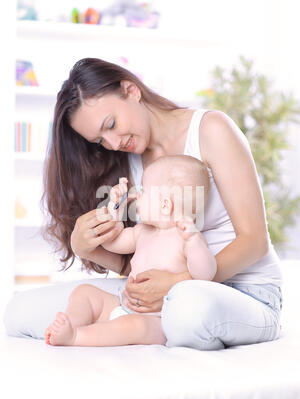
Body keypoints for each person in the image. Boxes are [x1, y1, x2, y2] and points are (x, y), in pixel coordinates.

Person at [4, 57, 282, 350]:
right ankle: (121, 328)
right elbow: (143, 265)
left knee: (187, 309)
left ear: (131, 90)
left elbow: (255, 242)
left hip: (245, 292)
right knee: (20, 313)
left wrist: (179, 283)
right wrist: (86, 247)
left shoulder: (210, 130)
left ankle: (159, 323)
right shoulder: (128, 162)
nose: (111, 143)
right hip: (166, 300)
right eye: (100, 140)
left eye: (111, 125)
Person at [45, 155, 216, 346]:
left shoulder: (187, 239)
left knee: (134, 326)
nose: (137, 196)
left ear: (165, 205)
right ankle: (71, 325)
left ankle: (76, 337)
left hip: (156, 321)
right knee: (84, 292)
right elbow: (112, 243)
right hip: (123, 305)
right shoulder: (142, 232)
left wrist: (194, 242)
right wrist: (115, 210)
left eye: (143, 191)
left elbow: (204, 274)